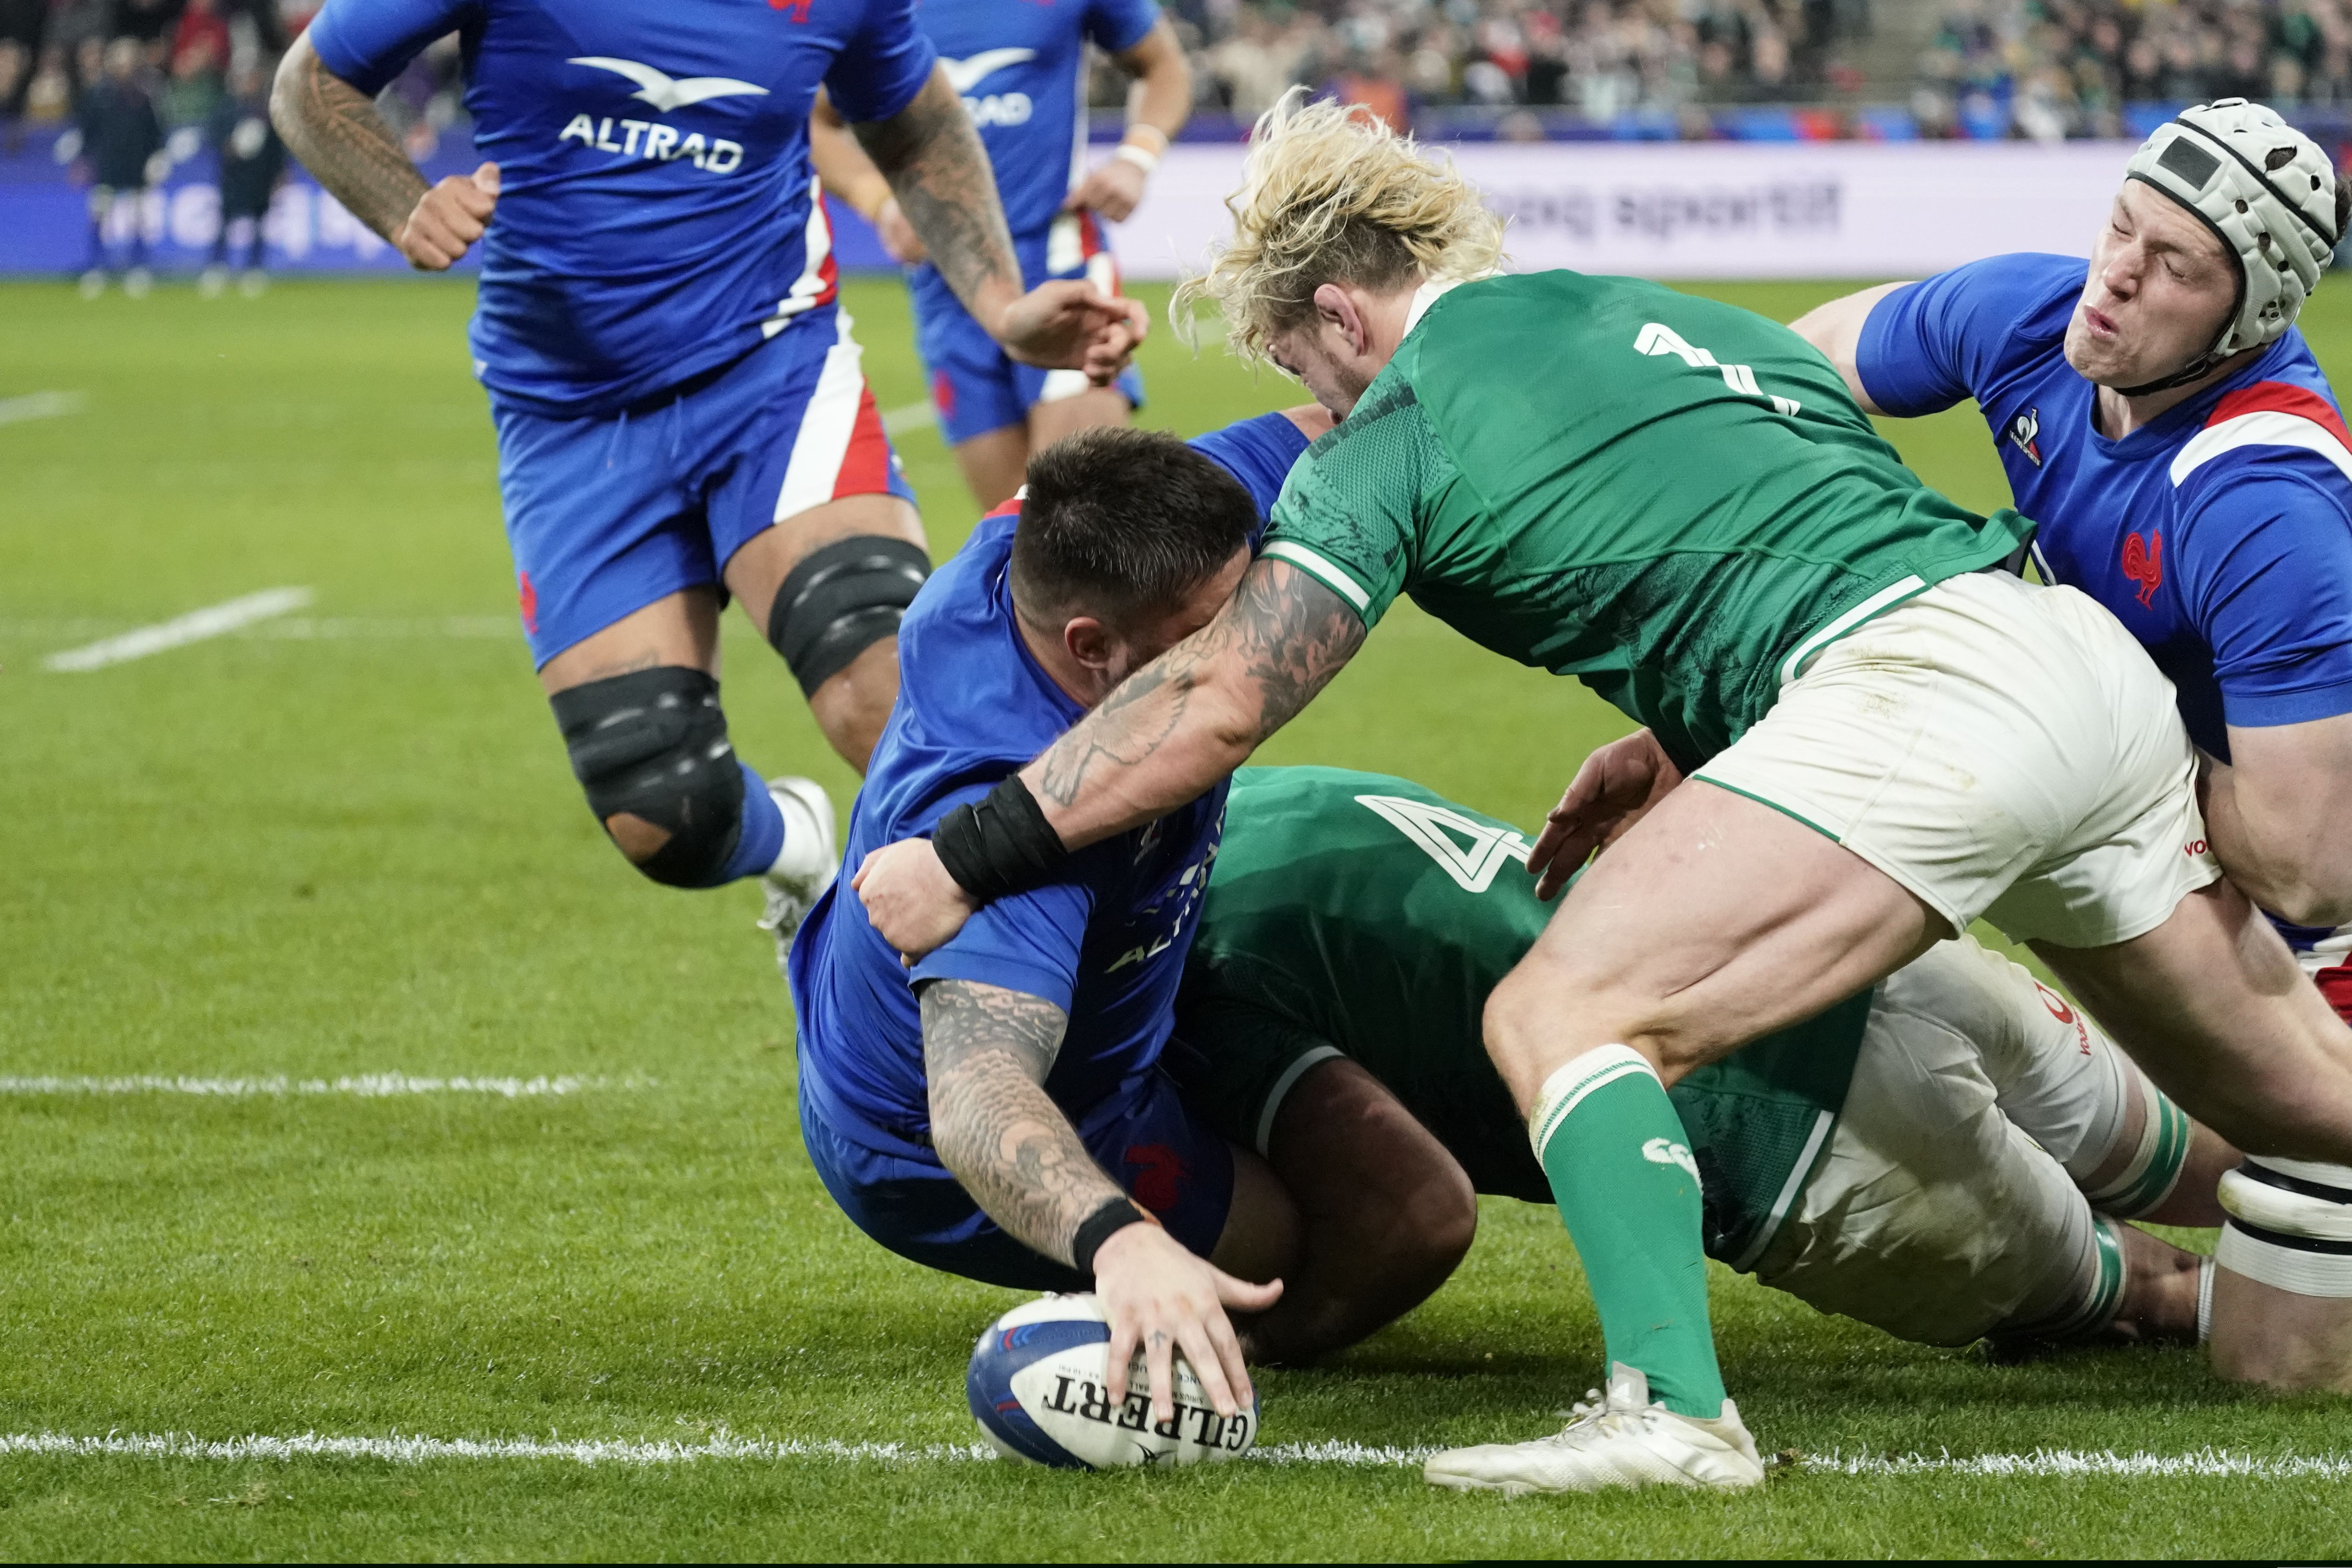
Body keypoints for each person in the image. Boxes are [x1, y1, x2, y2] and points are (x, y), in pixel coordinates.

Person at [850, 92, 2352, 1487]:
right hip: (2054, 662)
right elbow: (1775, 494)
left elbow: (1222, 694)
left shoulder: (1403, 427)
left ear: (1336, 311)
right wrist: (1694, 736)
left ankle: (1676, 1414)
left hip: (1922, 703)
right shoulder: (1655, 313)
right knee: (2315, 1108)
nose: (1315, 402)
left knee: (1564, 1013)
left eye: (1304, 366)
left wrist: (971, 854)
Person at [270, 0, 1146, 962]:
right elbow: (309, 83)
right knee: (662, 811)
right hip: (568, 416)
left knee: (885, 690)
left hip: (769, 369)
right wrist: (402, 199)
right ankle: (801, 845)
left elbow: (916, 119)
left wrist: (1003, 304)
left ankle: (1129, 985)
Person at [1175, 764, 2233, 1492]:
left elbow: (1415, 1214)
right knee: (2245, 1151)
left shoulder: (1192, 964)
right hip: (1847, 945)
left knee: (2159, 1291)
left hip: (1793, 1130)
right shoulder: (1252, 801)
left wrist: (1269, 1338)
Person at [1792, 99, 2352, 1395]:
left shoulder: (2263, 499)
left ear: (2246, 314)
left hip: (2314, 943)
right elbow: (1790, 372)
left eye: (2173, 270)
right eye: (2120, 228)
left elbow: (2313, 868)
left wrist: (2070, 703)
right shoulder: (2033, 315)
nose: (2119, 278)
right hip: (2182, 895)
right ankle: (2196, 1226)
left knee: (2276, 1372)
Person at [795, 415, 1497, 1432]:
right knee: (1402, 1220)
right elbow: (976, 1099)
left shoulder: (1075, 537)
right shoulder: (1004, 824)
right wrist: (1121, 1240)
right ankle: (1213, 1358)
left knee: (1410, 1183)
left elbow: (1380, 411)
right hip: (952, 1131)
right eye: (1215, 631)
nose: (1252, 651)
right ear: (1094, 649)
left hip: (1121, 989)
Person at [807, 0, 1191, 510]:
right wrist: (880, 204)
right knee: (1016, 535)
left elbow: (1163, 64)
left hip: (1058, 259)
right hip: (946, 284)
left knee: (1084, 512)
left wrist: (1137, 157)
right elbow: (816, 119)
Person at [76, 36, 163, 299]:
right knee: (100, 216)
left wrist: (156, 158)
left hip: (136, 165)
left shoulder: (144, 95)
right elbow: (88, 131)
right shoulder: (99, 94)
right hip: (107, 165)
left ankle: (138, 268)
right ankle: (97, 268)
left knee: (138, 217)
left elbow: (155, 132)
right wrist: (84, 159)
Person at [203, 57, 284, 298]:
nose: (250, 84)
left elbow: (277, 145)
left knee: (259, 224)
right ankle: (217, 268)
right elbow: (213, 137)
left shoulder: (267, 110)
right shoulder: (227, 109)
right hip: (234, 176)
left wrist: (280, 173)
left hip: (261, 176)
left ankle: (254, 269)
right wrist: (229, 146)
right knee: (226, 222)